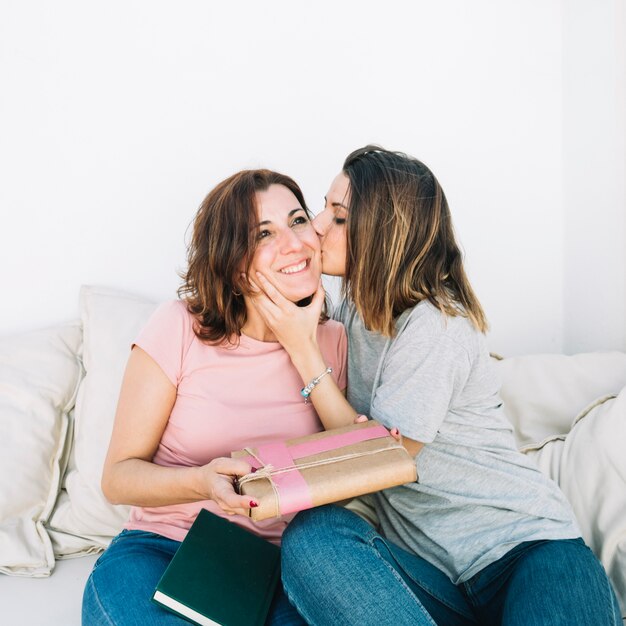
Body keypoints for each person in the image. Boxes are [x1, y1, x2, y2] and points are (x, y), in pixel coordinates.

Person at [248, 146, 622, 625]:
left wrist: (303, 351)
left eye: (338, 217)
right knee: (312, 537)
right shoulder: (352, 315)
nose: (317, 225)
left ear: (384, 236)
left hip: (527, 553)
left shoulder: (436, 325)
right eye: (323, 207)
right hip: (435, 580)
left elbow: (380, 461)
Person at [81, 169, 353, 625]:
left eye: (299, 220)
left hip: (273, 570)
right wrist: (202, 481)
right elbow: (117, 478)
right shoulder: (178, 327)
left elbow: (353, 467)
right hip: (162, 549)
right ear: (233, 259)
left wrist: (302, 346)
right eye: (264, 233)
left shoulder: (337, 342)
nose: (294, 243)